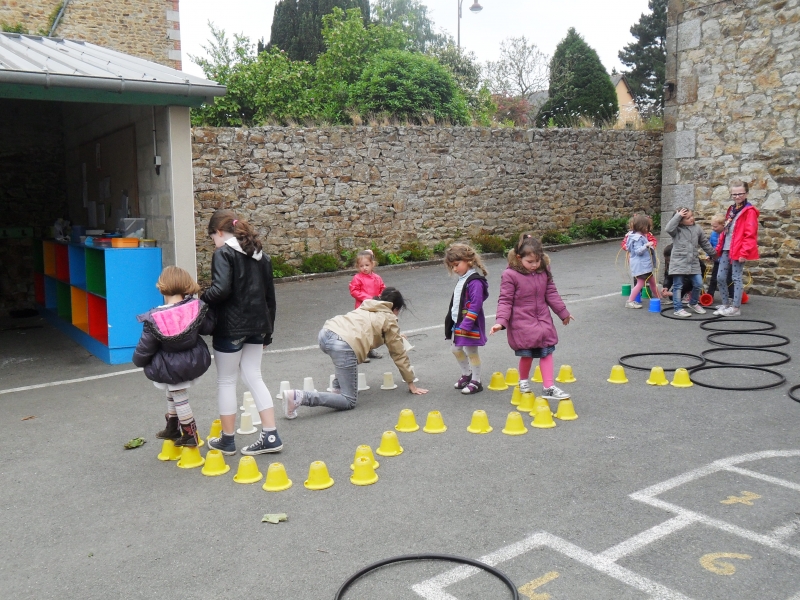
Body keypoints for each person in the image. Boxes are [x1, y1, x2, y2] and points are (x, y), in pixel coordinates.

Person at [202, 209, 282, 456]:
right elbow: (270, 298)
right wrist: (267, 332)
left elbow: (221, 290)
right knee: (254, 377)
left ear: (219, 232)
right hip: (258, 325)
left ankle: (227, 440)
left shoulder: (223, 253)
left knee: (226, 381)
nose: (213, 243)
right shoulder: (262, 257)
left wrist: (201, 298)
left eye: (212, 238)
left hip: (230, 327)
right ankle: (270, 435)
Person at [282, 287, 428, 417]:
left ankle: (337, 390)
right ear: (395, 308)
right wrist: (411, 384)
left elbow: (368, 331)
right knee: (349, 401)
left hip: (326, 333)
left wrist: (396, 336)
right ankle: (299, 397)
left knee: (345, 357)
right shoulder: (389, 318)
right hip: (343, 344)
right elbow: (398, 353)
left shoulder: (368, 305)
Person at [133, 266, 215, 448]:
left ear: (162, 287)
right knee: (172, 390)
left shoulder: (155, 317)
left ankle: (190, 434)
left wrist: (138, 360)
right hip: (194, 359)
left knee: (178, 395)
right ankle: (172, 426)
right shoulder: (194, 308)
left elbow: (146, 347)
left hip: (169, 365)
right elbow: (207, 328)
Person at [490, 234, 574, 401]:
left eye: (537, 260)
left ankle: (548, 387)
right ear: (519, 258)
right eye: (530, 262)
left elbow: (551, 292)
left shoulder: (544, 270)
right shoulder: (510, 275)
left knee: (547, 351)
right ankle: (523, 381)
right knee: (527, 354)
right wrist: (500, 322)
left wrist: (563, 312)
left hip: (543, 318)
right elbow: (505, 300)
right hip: (521, 321)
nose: (534, 265)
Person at [443, 244, 489, 394]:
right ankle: (467, 374)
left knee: (471, 351)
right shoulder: (463, 279)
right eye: (452, 266)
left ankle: (476, 380)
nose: (455, 269)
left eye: (457, 265)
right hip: (459, 322)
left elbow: (476, 304)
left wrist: (467, 323)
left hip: (469, 323)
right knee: (455, 349)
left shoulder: (475, 282)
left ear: (468, 261)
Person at [715, 180, 760, 317]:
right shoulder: (732, 209)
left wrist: (744, 252)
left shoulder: (749, 211)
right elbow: (725, 231)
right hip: (726, 248)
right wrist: (717, 249)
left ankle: (735, 308)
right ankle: (725, 304)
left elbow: (750, 234)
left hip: (738, 250)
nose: (737, 196)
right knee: (720, 277)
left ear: (746, 193)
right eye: (734, 194)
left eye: (740, 193)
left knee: (736, 278)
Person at [664, 207, 716, 318]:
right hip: (678, 262)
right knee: (678, 286)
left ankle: (693, 303)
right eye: (687, 218)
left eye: (692, 216)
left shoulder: (697, 229)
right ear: (680, 221)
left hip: (693, 262)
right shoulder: (676, 230)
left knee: (698, 283)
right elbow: (668, 228)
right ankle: (678, 308)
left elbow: (704, 243)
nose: (691, 219)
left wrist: (713, 253)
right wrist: (678, 216)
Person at [349, 249, 386, 360]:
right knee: (363, 330)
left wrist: (381, 296)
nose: (364, 268)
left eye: (367, 265)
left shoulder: (377, 278)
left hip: (374, 308)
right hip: (362, 308)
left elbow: (382, 288)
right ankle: (362, 352)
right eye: (361, 266)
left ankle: (370, 349)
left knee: (372, 330)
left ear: (372, 264)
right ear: (357, 266)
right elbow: (354, 291)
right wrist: (368, 298)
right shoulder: (357, 278)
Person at [624, 214, 659, 308]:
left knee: (652, 282)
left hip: (644, 265)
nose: (649, 229)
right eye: (647, 227)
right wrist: (646, 245)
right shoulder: (638, 238)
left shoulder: (638, 235)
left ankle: (659, 298)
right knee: (640, 283)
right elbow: (638, 251)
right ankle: (630, 301)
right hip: (641, 266)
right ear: (642, 226)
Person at [706, 213, 733, 301]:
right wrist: (709, 255)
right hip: (717, 260)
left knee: (729, 279)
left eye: (715, 226)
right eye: (712, 226)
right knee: (714, 278)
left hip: (728, 261)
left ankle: (732, 296)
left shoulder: (728, 234)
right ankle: (709, 295)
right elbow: (709, 245)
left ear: (723, 225)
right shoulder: (713, 234)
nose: (713, 228)